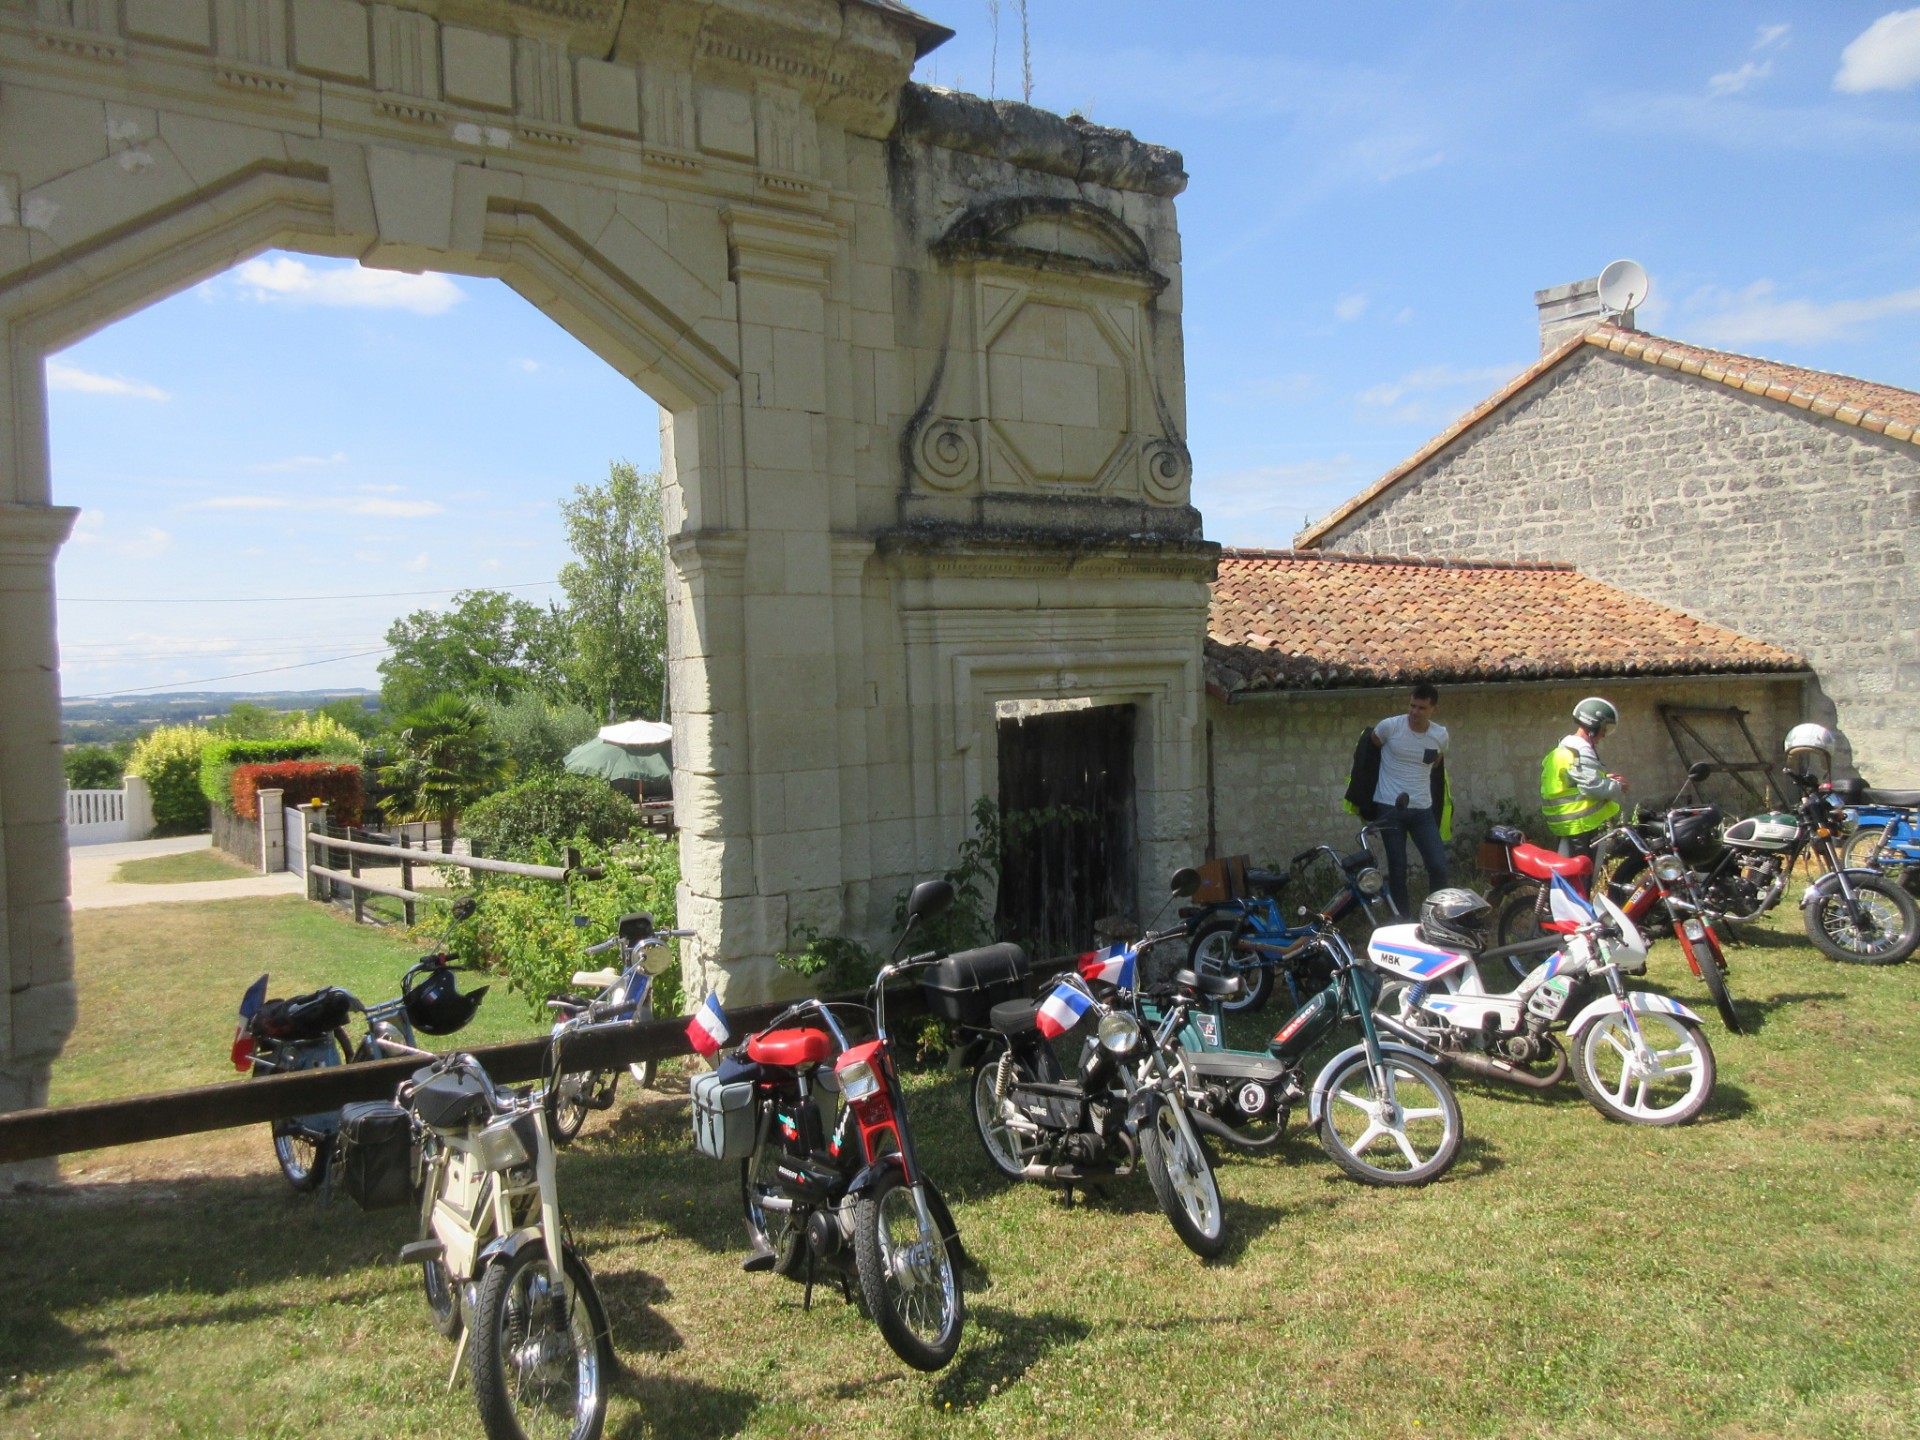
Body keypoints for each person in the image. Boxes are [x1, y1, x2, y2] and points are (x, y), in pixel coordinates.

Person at [1344, 683, 1452, 917]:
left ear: (1434, 709)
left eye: (1422, 708)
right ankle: (1402, 918)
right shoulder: (1390, 727)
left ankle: (1438, 916)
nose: (1414, 712)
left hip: (1422, 809)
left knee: (1437, 865)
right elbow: (1369, 748)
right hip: (1389, 808)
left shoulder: (1440, 735)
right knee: (1398, 867)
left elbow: (1435, 763)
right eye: (1412, 706)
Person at [1539, 697, 1627, 864]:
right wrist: (1618, 786)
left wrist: (1605, 778)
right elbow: (1593, 788)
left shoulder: (1565, 748)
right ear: (1594, 725)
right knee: (1581, 875)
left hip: (1568, 823)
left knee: (1570, 874)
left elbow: (1575, 781)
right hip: (1578, 823)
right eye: (1604, 728)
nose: (1604, 734)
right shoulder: (1580, 750)